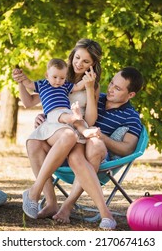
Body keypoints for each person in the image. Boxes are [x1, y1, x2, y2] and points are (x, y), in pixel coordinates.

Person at [13, 38, 116, 230]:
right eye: (77, 58)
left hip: (78, 129)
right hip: (56, 129)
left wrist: (88, 86)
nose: (79, 64)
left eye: (86, 62)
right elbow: (32, 100)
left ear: (93, 64)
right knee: (34, 142)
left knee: (76, 156)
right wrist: (40, 112)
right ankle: (51, 202)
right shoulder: (58, 75)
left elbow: (91, 119)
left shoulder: (92, 85)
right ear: (72, 55)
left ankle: (105, 213)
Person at [32, 66, 144, 226]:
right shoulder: (95, 97)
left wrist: (100, 136)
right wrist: (42, 117)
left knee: (94, 143)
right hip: (70, 147)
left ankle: (67, 206)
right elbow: (59, 107)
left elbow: (127, 148)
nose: (111, 89)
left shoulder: (131, 116)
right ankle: (50, 203)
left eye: (117, 88)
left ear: (131, 94)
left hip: (99, 160)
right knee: (35, 141)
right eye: (112, 83)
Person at [13, 58, 100, 142]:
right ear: (47, 75)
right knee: (66, 117)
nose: (58, 81)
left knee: (77, 122)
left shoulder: (64, 85)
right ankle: (74, 117)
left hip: (66, 111)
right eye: (55, 77)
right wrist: (21, 77)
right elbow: (29, 84)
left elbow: (77, 86)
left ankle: (85, 132)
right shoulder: (42, 85)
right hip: (53, 112)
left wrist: (86, 80)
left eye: (62, 78)